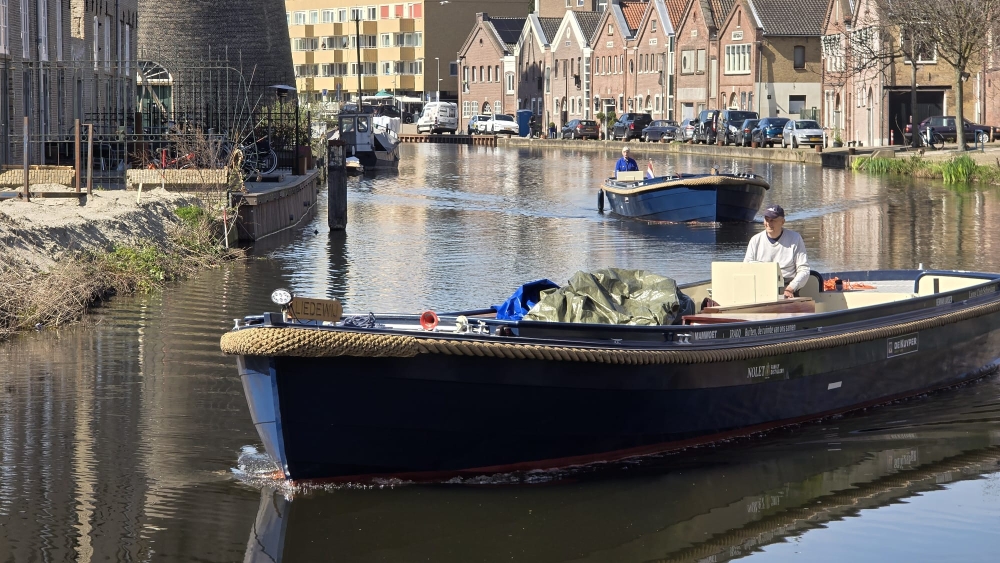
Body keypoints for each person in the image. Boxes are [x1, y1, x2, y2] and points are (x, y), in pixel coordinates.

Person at [744, 204, 809, 299]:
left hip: (787, 288)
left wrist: (790, 288)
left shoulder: (795, 239)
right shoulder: (755, 240)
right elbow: (746, 268)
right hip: (760, 288)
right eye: (766, 219)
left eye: (773, 220)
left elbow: (804, 270)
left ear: (782, 222)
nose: (769, 223)